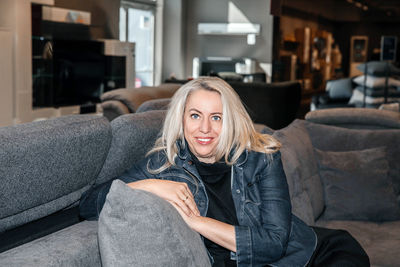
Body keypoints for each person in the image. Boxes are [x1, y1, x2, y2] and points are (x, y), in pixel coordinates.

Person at [80, 77, 369, 266]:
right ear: (181, 120)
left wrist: (197, 223)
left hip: (312, 255)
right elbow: (88, 205)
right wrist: (150, 185)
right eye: (195, 116)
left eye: (216, 117)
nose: (204, 129)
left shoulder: (262, 158)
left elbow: (274, 245)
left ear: (230, 120)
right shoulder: (163, 164)